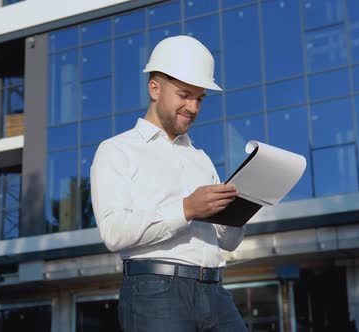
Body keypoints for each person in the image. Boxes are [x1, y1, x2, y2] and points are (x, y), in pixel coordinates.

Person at [90, 35, 247, 331]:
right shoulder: (116, 150)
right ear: (154, 88)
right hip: (155, 292)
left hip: (215, 290)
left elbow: (228, 241)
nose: (193, 107)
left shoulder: (201, 158)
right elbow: (114, 233)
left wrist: (240, 212)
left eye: (200, 98)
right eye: (184, 95)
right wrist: (187, 208)